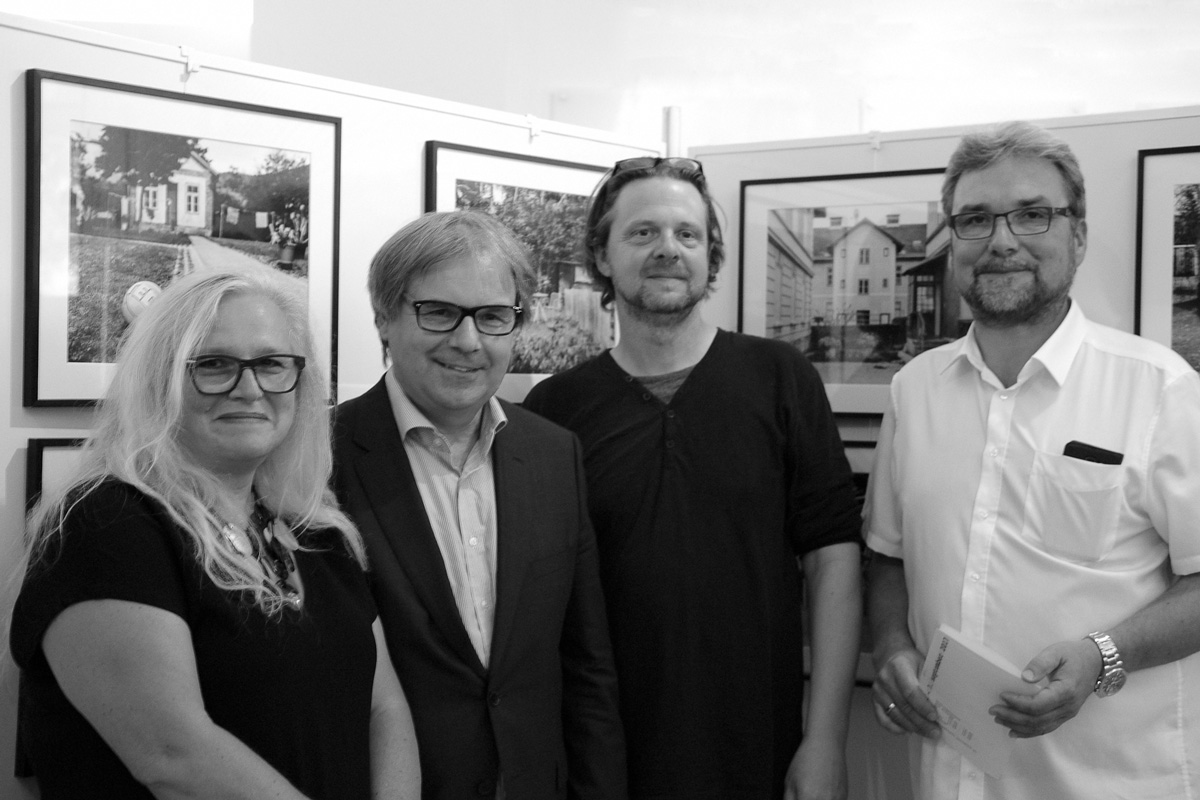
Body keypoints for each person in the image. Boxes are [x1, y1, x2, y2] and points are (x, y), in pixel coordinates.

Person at [865, 121, 1200, 799]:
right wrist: (893, 643)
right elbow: (889, 557)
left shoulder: (1160, 390)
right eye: (975, 219)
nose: (1001, 240)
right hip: (947, 777)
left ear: (1078, 235)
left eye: (1031, 214)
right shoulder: (913, 390)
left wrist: (1101, 657)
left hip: (1108, 782)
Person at [9, 265, 420, 800]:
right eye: (214, 364)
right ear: (160, 380)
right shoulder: (106, 524)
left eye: (272, 364)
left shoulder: (319, 533)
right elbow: (174, 758)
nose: (249, 388)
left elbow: (384, 707)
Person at [523, 157, 864, 800]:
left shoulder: (780, 379)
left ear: (710, 255)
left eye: (686, 234)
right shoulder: (555, 410)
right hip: (605, 759)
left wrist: (825, 740)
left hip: (758, 746)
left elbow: (833, 561)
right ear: (601, 255)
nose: (667, 250)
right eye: (642, 232)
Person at [332, 211, 627, 800]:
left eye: (493, 317)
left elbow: (586, 665)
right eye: (439, 312)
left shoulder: (554, 454)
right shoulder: (322, 459)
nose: (468, 341)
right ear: (384, 318)